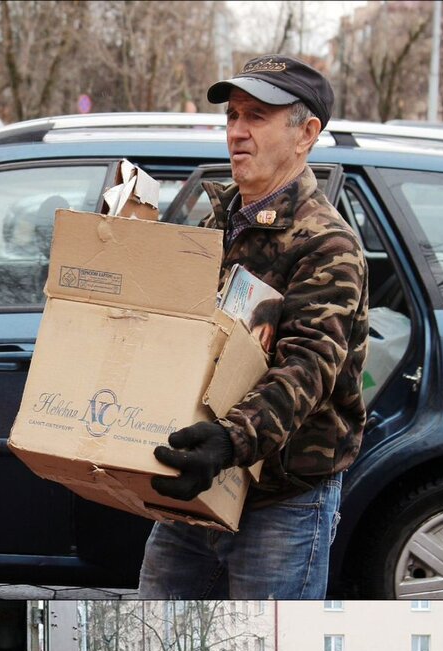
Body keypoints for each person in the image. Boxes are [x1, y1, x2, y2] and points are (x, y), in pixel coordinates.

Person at [138, 56, 368, 600]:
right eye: (233, 115)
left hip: (282, 501)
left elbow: (307, 368)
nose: (237, 132)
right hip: (200, 482)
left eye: (257, 116)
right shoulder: (216, 225)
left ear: (305, 133)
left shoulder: (326, 245)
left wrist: (231, 438)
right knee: (152, 646)